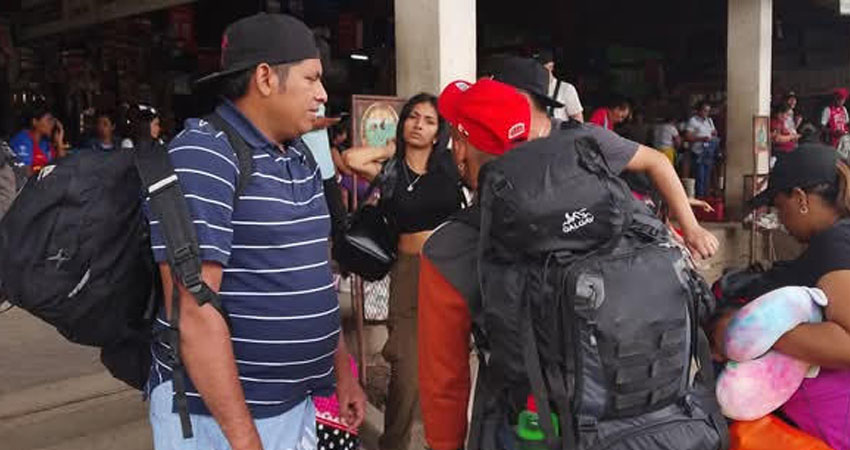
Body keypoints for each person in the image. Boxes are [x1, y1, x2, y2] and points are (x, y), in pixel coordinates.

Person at [418, 70, 721, 450]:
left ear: (461, 148)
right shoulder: (618, 204)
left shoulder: (450, 247)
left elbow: (444, 383)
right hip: (654, 422)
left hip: (535, 431)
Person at [144, 14, 365, 450]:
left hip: (290, 405)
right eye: (311, 78)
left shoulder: (299, 156)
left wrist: (343, 374)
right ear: (265, 78)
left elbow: (315, 275)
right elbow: (193, 312)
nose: (323, 94)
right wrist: (245, 440)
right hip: (218, 420)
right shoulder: (204, 156)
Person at [491, 56, 718, 259]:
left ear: (520, 98)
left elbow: (657, 161)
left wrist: (691, 229)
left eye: (491, 98)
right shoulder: (493, 146)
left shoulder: (582, 139)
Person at [343, 93, 464, 450]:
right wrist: (389, 150)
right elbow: (351, 159)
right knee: (407, 371)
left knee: (448, 367)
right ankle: (394, 443)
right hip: (409, 274)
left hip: (449, 273)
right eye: (413, 117)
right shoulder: (391, 171)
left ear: (438, 131)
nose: (419, 125)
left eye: (429, 120)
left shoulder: (449, 167)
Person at [724, 144, 850, 450]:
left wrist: (747, 329)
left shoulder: (835, 242)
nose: (781, 220)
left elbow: (847, 341)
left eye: (780, 207)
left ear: (801, 198)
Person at [9, 105, 62, 175]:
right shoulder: (22, 141)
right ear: (35, 122)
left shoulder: (45, 143)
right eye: (48, 120)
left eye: (52, 121)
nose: (52, 124)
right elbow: (25, 173)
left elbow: (62, 164)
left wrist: (59, 142)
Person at [535, 49, 583, 122]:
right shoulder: (530, 89)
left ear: (551, 66)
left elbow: (578, 120)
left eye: (540, 67)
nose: (536, 70)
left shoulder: (566, 89)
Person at [685, 100, 720, 197]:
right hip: (698, 152)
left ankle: (706, 196)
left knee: (707, 178)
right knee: (700, 177)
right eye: (704, 111)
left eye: (708, 111)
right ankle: (700, 197)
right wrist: (701, 139)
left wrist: (713, 134)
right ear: (699, 111)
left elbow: (713, 132)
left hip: (708, 152)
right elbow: (688, 136)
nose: (706, 113)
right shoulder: (693, 121)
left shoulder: (709, 121)